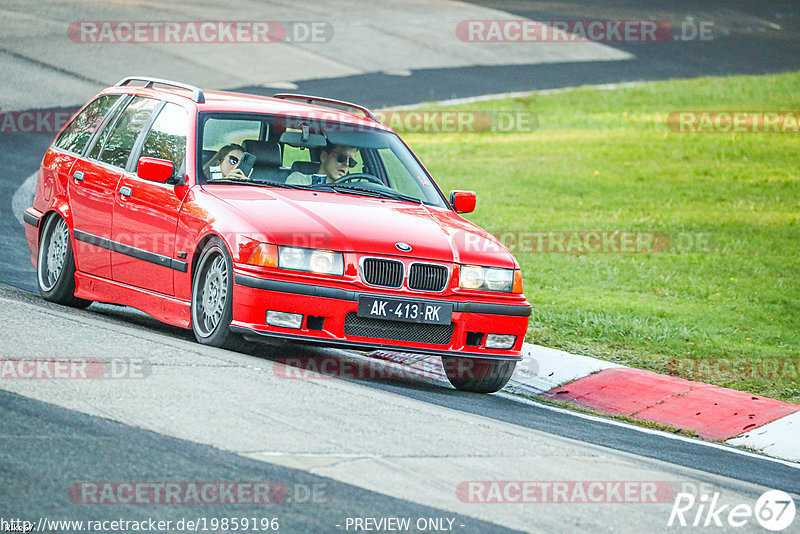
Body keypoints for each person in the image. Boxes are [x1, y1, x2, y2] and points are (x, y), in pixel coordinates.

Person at [285, 144, 358, 185]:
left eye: (351, 162)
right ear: (324, 156)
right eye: (341, 158)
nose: (347, 164)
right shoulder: (298, 180)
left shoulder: (350, 190)